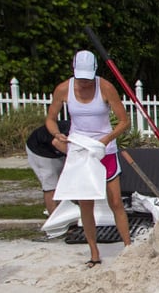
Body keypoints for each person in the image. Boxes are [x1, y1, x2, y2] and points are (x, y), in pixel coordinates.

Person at [45, 50, 131, 268]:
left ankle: (128, 247)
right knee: (86, 204)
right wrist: (57, 134)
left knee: (115, 201)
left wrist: (105, 139)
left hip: (104, 150)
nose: (84, 83)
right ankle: (94, 252)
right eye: (80, 78)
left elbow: (123, 121)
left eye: (87, 78)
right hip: (80, 150)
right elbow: (51, 119)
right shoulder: (64, 89)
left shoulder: (105, 88)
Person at [25, 120, 71, 215]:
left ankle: (65, 213)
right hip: (40, 149)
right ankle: (54, 221)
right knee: (50, 184)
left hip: (57, 150)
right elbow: (56, 142)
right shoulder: (71, 130)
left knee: (65, 181)